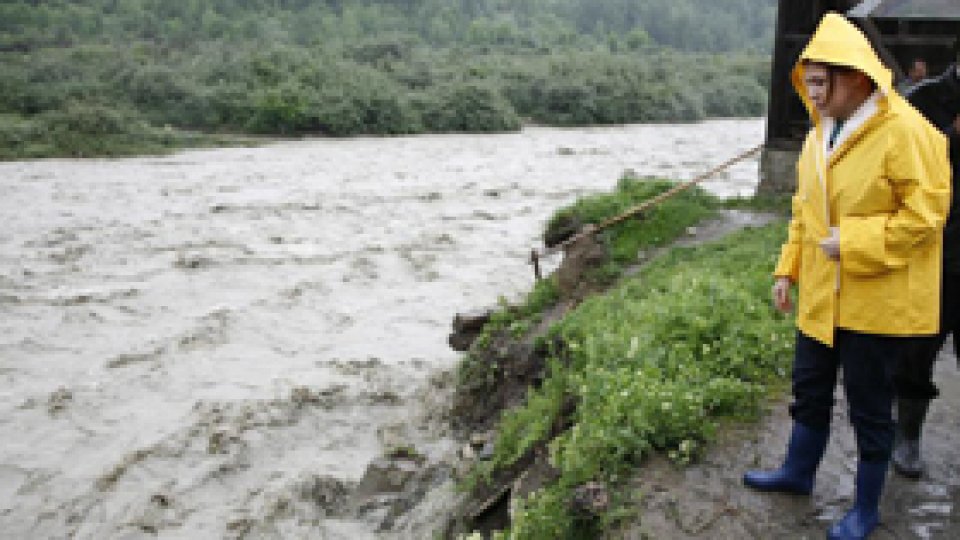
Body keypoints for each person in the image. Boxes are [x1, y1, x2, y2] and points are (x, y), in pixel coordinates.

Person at [742, 13, 951, 540]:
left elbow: (926, 215)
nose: (810, 93)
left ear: (857, 77)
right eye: (807, 81)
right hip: (819, 294)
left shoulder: (908, 132)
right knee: (809, 388)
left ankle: (865, 507)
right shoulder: (819, 136)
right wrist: (787, 269)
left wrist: (853, 242)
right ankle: (797, 472)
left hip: (876, 301)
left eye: (819, 82)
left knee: (869, 405)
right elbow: (802, 211)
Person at [892, 43, 960, 479]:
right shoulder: (924, 99)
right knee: (918, 350)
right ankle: (908, 434)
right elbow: (898, 169)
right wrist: (951, 139)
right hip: (935, 251)